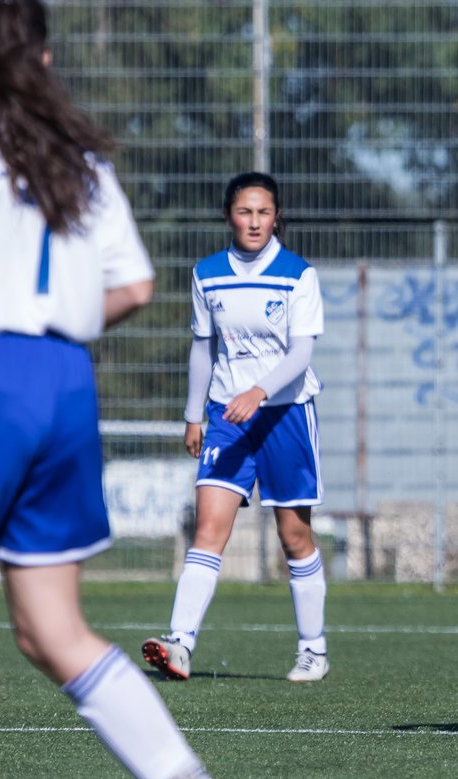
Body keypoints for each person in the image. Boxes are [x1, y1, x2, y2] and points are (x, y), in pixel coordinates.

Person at [0, 2, 245, 779]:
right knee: (51, 630)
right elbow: (136, 288)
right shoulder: (82, 162)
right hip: (64, 385)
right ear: (42, 57)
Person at [142, 172, 330, 684]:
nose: (254, 222)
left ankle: (313, 650)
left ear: (276, 218)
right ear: (229, 215)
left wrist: (260, 391)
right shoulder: (207, 274)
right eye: (244, 212)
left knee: (294, 536)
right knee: (208, 530)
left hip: (286, 414)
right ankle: (180, 644)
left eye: (263, 212)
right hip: (227, 418)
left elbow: (301, 354)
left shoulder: (297, 275)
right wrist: (193, 413)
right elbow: (203, 348)